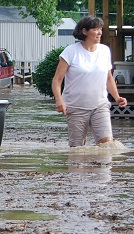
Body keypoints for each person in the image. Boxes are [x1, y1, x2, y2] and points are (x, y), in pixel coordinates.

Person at [52, 16, 127, 147]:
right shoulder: (71, 51)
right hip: (76, 106)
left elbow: (108, 77)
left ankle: (102, 167)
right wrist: (59, 100)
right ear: (84, 31)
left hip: (100, 105)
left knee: (107, 144)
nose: (99, 33)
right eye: (95, 29)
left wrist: (117, 97)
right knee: (77, 148)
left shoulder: (104, 51)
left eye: (100, 29)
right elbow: (57, 80)